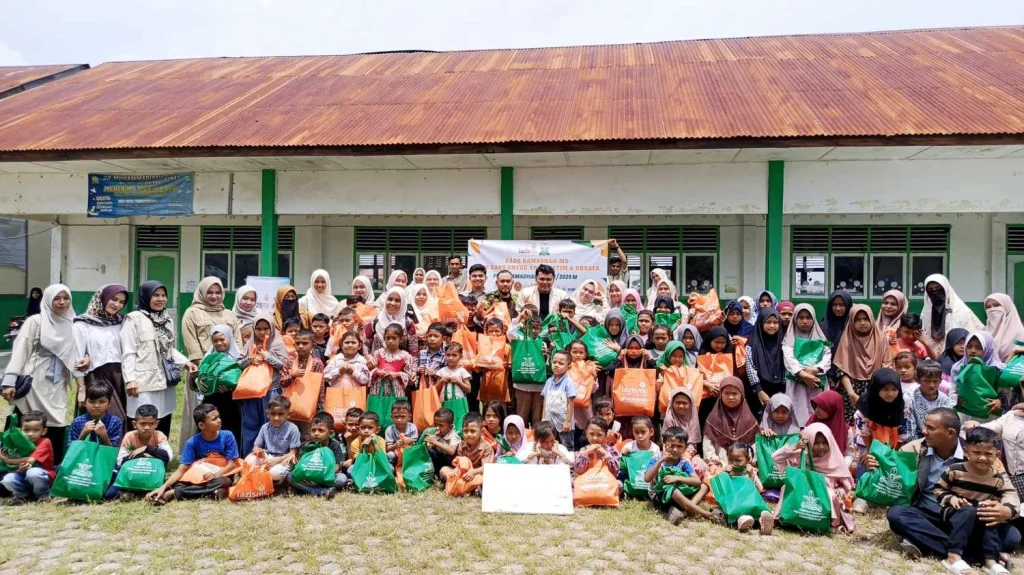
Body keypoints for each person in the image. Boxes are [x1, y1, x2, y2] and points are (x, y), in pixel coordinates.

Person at [2, 284, 85, 465]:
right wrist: (9, 381)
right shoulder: (36, 322)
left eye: (66, 298)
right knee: (26, 419)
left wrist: (85, 369)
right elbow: (20, 351)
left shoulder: (75, 323)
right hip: (35, 380)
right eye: (56, 298)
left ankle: (50, 465)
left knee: (57, 420)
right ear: (47, 300)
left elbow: (81, 352)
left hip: (59, 383)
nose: (62, 302)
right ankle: (12, 463)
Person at [932, 427, 1017, 574]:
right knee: (968, 511)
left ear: (997, 455)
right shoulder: (955, 470)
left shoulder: (998, 479)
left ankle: (990, 561)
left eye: (988, 454)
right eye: (976, 452)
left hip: (979, 515)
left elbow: (1005, 496)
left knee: (990, 515)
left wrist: (998, 507)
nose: (982, 458)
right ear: (966, 452)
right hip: (955, 512)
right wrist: (951, 499)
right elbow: (938, 489)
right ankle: (953, 556)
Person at [121, 281, 195, 439]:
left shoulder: (167, 319)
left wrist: (186, 362)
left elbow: (168, 349)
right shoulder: (133, 319)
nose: (160, 299)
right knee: (142, 416)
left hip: (164, 379)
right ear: (145, 296)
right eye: (155, 295)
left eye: (163, 296)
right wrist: (130, 379)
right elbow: (128, 352)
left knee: (163, 416)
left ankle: (160, 455)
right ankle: (137, 456)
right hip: (143, 380)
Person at [181, 277, 242, 447]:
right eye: (209, 292)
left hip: (230, 375)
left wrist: (229, 374)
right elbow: (192, 345)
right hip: (203, 373)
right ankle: (200, 448)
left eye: (217, 292)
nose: (214, 296)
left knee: (230, 415)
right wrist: (209, 375)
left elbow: (237, 343)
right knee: (204, 413)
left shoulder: (229, 314)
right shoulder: (192, 313)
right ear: (201, 292)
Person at [147, 404, 240, 504]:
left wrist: (215, 475)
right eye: (214, 419)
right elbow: (181, 470)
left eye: (218, 417)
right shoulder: (192, 442)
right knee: (180, 484)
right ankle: (212, 492)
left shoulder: (227, 436)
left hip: (221, 474)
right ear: (201, 425)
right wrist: (163, 487)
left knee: (224, 481)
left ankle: (173, 493)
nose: (219, 420)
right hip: (200, 477)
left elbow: (232, 464)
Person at [773, 422, 855, 533]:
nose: (821, 447)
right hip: (802, 497)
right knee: (785, 487)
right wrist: (795, 446)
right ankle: (778, 519)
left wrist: (838, 491)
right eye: (816, 443)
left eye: (825, 443)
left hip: (823, 503)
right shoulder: (802, 457)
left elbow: (845, 486)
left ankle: (830, 525)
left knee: (831, 495)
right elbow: (776, 457)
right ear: (810, 442)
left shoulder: (835, 460)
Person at [73, 284, 130, 425]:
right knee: (103, 419)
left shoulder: (122, 322)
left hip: (119, 376)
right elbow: (77, 357)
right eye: (114, 299)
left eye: (121, 302)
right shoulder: (82, 324)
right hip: (96, 376)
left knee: (120, 420)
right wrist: (81, 388)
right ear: (102, 298)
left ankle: (117, 447)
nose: (117, 305)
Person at [237, 313, 291, 455]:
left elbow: (284, 365)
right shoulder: (251, 343)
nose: (262, 332)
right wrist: (250, 359)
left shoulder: (277, 343)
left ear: (272, 328)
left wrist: (268, 357)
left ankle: (270, 458)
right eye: (258, 329)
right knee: (250, 425)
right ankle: (249, 458)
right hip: (251, 392)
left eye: (266, 328)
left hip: (271, 391)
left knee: (271, 424)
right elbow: (238, 363)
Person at [644, 426, 719, 525]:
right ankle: (706, 514)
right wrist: (660, 461)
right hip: (661, 497)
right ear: (664, 445)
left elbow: (697, 482)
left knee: (704, 486)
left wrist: (678, 478)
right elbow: (647, 478)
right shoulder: (656, 458)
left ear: (685, 448)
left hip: (681, 494)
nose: (675, 449)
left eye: (679, 446)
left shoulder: (683, 462)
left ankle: (684, 512)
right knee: (673, 490)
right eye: (671, 445)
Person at [833, 304, 893, 425]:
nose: (863, 323)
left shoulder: (880, 339)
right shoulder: (847, 340)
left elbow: (887, 366)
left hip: (877, 389)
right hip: (851, 391)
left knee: (875, 426)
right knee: (852, 427)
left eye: (866, 319)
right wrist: (851, 393)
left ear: (871, 319)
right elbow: (841, 369)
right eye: (858, 320)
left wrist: (878, 391)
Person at [105, 404, 173, 501]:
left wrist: (146, 448)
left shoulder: (159, 436)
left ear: (157, 424)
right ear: (134, 424)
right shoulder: (130, 436)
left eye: (151, 424)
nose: (147, 427)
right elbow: (121, 461)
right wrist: (145, 456)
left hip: (152, 473)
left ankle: (134, 493)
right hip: (132, 473)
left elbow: (168, 457)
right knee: (109, 495)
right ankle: (131, 491)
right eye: (142, 423)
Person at [782, 304, 832, 427]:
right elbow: (789, 358)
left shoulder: (820, 337)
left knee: (818, 415)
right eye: (801, 318)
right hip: (797, 382)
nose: (805, 321)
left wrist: (815, 370)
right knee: (798, 416)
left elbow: (827, 356)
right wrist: (802, 374)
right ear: (795, 319)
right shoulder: (790, 338)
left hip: (816, 380)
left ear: (813, 319)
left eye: (808, 318)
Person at [853, 369, 911, 466]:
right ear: (876, 388)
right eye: (885, 389)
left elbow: (903, 428)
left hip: (895, 442)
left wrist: (894, 453)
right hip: (868, 443)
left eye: (894, 389)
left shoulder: (903, 401)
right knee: (868, 467)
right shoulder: (866, 403)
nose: (890, 394)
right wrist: (870, 452)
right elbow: (864, 431)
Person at [921, 274, 985, 357]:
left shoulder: (961, 311)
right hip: (932, 360)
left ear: (946, 289)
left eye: (938, 288)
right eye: (931, 290)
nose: (935, 292)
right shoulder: (926, 314)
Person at [288, 411, 348, 498]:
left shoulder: (334, 445)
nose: (316, 433)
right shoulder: (307, 445)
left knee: (342, 479)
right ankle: (322, 491)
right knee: (290, 476)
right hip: (309, 476)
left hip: (326, 476)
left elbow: (337, 467)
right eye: (313, 430)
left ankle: (307, 488)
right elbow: (301, 466)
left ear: (330, 433)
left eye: (321, 430)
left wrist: (320, 474)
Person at [0, 410, 54, 504]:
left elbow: (30, 460)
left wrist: (8, 460)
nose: (30, 434)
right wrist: (18, 469)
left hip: (41, 476)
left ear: (44, 431)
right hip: (23, 476)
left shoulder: (45, 442)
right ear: (20, 430)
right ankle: (21, 496)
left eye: (36, 430)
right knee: (8, 479)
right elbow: (16, 468)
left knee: (33, 472)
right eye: (26, 430)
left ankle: (43, 495)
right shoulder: (18, 444)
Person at [245, 396, 301, 486]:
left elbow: (292, 454)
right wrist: (263, 456)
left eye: (281, 414)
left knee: (275, 473)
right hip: (267, 457)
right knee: (249, 460)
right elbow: (256, 447)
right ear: (268, 414)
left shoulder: (293, 429)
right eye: (273, 414)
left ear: (288, 414)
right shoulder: (265, 427)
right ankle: (264, 478)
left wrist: (275, 461)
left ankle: (277, 480)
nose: (276, 418)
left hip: (283, 459)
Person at [702, 377, 760, 464]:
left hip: (744, 466)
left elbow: (755, 444)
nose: (731, 397)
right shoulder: (714, 418)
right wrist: (715, 464)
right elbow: (708, 443)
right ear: (721, 395)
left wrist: (749, 463)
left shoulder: (749, 419)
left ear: (742, 395)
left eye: (735, 393)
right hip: (720, 465)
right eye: (726, 393)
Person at [721, 441, 773, 534]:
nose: (734, 463)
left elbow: (760, 489)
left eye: (738, 460)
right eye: (731, 460)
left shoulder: (750, 472)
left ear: (748, 460)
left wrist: (752, 476)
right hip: (736, 504)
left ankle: (763, 521)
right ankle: (744, 521)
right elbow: (722, 488)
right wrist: (725, 474)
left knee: (760, 511)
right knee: (742, 516)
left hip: (751, 503)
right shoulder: (727, 472)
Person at [439, 412, 493, 490]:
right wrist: (455, 471)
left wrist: (473, 472)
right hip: (463, 474)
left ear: (482, 431)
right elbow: (459, 463)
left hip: (477, 474)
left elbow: (486, 468)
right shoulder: (461, 445)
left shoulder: (487, 447)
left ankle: (464, 486)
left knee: (486, 477)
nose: (469, 434)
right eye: (465, 431)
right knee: (443, 470)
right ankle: (465, 486)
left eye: (473, 431)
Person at [745, 307, 785, 406]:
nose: (772, 325)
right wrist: (759, 390)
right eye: (768, 322)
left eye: (775, 322)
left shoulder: (783, 342)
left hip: (781, 390)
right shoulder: (752, 344)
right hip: (758, 391)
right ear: (761, 323)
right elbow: (750, 368)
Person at [907, 360, 954, 439]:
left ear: (940, 381)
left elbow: (947, 423)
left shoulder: (945, 400)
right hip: (918, 440)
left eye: (935, 381)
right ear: (918, 380)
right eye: (926, 381)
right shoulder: (911, 399)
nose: (931, 385)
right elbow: (910, 427)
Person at [366, 288, 419, 355]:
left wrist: (411, 364)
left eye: (397, 301)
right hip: (377, 363)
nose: (392, 303)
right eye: (390, 299)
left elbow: (413, 350)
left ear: (402, 303)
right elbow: (365, 345)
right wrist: (368, 357)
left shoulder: (408, 323)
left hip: (402, 364)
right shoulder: (374, 321)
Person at [69, 381, 123, 447]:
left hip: (104, 457)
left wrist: (104, 436)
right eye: (92, 402)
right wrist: (83, 434)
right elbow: (71, 449)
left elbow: (114, 450)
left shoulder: (115, 422)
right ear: (85, 403)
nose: (96, 405)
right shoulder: (78, 421)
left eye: (102, 402)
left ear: (109, 403)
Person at [542, 350, 577, 449]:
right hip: (549, 420)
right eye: (554, 362)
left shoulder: (568, 382)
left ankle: (568, 464)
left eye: (561, 363)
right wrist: (544, 417)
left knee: (567, 446)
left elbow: (571, 403)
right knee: (549, 445)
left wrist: (567, 421)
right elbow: (545, 400)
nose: (556, 365)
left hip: (563, 422)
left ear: (568, 367)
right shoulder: (549, 381)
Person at [985, 293, 1024, 363]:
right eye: (988, 307)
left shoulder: (1020, 334)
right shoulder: (983, 332)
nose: (992, 309)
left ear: (1007, 307)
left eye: (997, 305)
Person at [422, 408, 462, 475]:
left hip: (450, 463)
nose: (437, 428)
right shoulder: (438, 434)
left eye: (440, 425)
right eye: (435, 425)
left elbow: (452, 451)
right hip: (440, 461)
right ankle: (434, 473)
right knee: (431, 452)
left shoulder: (454, 436)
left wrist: (435, 442)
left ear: (450, 427)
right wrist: (429, 444)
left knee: (448, 456)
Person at [384, 400, 418, 464]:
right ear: (391, 417)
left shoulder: (412, 427)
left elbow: (415, 444)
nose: (399, 420)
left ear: (409, 417)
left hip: (409, 452)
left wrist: (410, 441)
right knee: (390, 455)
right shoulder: (389, 430)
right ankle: (393, 468)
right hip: (396, 454)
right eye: (396, 417)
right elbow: (388, 448)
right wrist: (396, 445)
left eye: (403, 416)